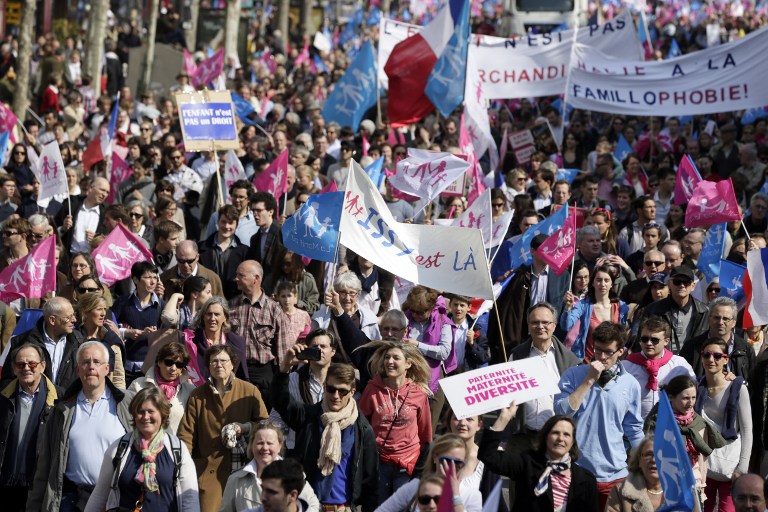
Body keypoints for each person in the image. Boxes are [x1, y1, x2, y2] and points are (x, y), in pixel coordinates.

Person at [26, 341, 129, 512]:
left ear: (107, 369)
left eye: (97, 362)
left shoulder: (127, 405)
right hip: (72, 500)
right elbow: (44, 466)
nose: (91, 367)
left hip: (114, 500)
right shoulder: (61, 410)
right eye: (85, 362)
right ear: (77, 369)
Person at [554, 322, 644, 510]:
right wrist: (588, 380)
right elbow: (561, 413)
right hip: (576, 470)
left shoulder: (631, 384)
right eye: (597, 350)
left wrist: (644, 463)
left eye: (608, 352)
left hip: (615, 474)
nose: (601, 357)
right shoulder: (573, 374)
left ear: (621, 351)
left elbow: (634, 429)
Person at [271, 357, 379, 512]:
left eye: (342, 391)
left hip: (343, 508)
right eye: (331, 389)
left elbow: (371, 480)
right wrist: (283, 370)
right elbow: (281, 401)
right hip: (308, 506)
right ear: (324, 386)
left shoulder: (362, 428)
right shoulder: (308, 417)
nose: (336, 396)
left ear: (352, 392)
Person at [177, 344, 268, 512]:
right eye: (214, 361)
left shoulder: (250, 391)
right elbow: (186, 435)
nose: (219, 365)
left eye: (223, 361)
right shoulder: (198, 395)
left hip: (244, 471)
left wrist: (245, 428)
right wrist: (184, 468)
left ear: (233, 364)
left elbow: (265, 427)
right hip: (208, 473)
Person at [84, 386, 200, 512]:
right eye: (140, 411)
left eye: (151, 411)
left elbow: (189, 498)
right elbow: (100, 495)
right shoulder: (119, 448)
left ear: (162, 413)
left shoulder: (177, 449)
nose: (145, 417)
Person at [478, 409, 598, 512]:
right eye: (555, 433)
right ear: (545, 437)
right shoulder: (527, 463)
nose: (560, 438)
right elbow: (489, 456)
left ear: (572, 442)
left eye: (566, 434)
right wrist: (504, 418)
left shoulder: (586, 479)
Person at [358, 340, 433, 500]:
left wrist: (423, 465)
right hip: (379, 461)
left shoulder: (418, 393)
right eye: (387, 357)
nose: (389, 362)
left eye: (396, 358)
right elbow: (361, 426)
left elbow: (425, 432)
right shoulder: (372, 389)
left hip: (408, 463)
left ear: (408, 364)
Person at [489, 233, 571, 363]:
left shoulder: (562, 276)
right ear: (532, 251)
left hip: (549, 337)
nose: (548, 254)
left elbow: (563, 310)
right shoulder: (519, 275)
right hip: (524, 336)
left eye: (551, 250)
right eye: (544, 250)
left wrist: (568, 304)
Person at [509, 303, 580, 451]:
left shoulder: (570, 361)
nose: (540, 326)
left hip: (555, 438)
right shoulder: (517, 355)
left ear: (554, 325)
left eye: (545, 322)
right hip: (523, 435)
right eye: (535, 322)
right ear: (528, 326)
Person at [644, 375, 727, 500]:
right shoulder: (658, 421)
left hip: (694, 482)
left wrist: (702, 484)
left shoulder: (698, 422)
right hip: (665, 483)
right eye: (685, 398)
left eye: (693, 398)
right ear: (671, 397)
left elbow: (702, 459)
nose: (691, 403)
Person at [695, 338, 753, 512]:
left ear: (726, 359)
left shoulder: (738, 387)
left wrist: (742, 467)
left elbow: (747, 430)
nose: (711, 359)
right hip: (704, 464)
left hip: (730, 466)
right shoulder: (697, 386)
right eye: (706, 354)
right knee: (702, 508)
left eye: (717, 355)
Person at [0, 343, 58, 512]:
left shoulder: (59, 400)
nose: (26, 368)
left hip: (38, 484)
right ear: (14, 368)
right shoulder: (3, 397)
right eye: (20, 364)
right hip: (6, 482)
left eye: (32, 364)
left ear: (42, 366)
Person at [219, 421, 321, 512]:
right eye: (260, 443)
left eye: (270, 443)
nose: (265, 448)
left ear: (280, 446)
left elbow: (314, 506)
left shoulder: (294, 475)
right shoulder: (236, 479)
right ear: (251, 445)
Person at [229, 260, 290, 407]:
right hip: (236, 371)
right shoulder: (231, 306)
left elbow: (282, 350)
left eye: (241, 275)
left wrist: (281, 378)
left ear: (256, 278)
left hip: (263, 373)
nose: (235, 279)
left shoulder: (274, 310)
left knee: (261, 418)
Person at [375, 434, 483, 512]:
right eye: (446, 461)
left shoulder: (472, 496)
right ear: (435, 457)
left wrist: (455, 496)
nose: (451, 467)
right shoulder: (416, 486)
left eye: (458, 463)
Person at [2, 297, 85, 390]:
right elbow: (7, 381)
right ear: (52, 320)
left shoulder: (79, 341)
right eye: (68, 317)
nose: (74, 320)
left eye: (74, 315)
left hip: (68, 402)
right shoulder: (22, 341)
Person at [624, 316, 696, 418]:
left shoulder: (679, 365)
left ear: (666, 341)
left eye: (654, 340)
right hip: (635, 427)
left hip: (669, 425)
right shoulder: (627, 366)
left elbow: (693, 393)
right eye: (644, 339)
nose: (649, 343)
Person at [119, 341, 195, 435]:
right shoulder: (138, 385)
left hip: (175, 446)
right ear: (159, 362)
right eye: (169, 362)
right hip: (142, 444)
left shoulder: (190, 391)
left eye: (179, 364)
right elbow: (128, 418)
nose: (173, 368)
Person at [561, 265, 630, 362]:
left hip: (611, 363)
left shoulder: (621, 307)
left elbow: (622, 337)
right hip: (587, 361)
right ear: (592, 283)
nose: (602, 284)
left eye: (606, 280)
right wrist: (568, 307)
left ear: (612, 284)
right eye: (598, 280)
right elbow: (566, 325)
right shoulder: (583, 305)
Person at [633, 266, 709, 353]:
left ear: (693, 286)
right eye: (677, 282)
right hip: (661, 361)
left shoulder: (704, 311)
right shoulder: (652, 310)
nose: (682, 285)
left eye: (686, 282)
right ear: (669, 284)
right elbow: (641, 341)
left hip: (691, 363)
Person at [113, 261, 165, 385]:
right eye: (147, 277)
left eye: (154, 278)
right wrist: (126, 333)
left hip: (150, 368)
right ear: (135, 280)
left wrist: (155, 334)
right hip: (125, 366)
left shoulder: (162, 306)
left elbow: (168, 333)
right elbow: (109, 325)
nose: (152, 282)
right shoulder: (122, 302)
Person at [681, 297, 755, 379]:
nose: (720, 322)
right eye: (716, 317)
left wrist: (738, 383)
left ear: (734, 322)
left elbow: (753, 383)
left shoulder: (746, 349)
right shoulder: (692, 347)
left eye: (725, 319)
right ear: (709, 319)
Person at [440, 409, 504, 503]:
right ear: (449, 422)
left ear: (479, 425)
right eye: (457, 418)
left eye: (469, 419)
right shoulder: (435, 454)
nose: (462, 422)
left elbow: (496, 502)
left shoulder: (487, 461)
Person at [401, 286, 456, 394]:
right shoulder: (406, 318)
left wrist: (417, 345)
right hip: (407, 375)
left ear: (431, 309)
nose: (415, 315)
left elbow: (444, 352)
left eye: (420, 312)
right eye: (413, 311)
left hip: (432, 375)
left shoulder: (443, 321)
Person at [189, 296, 249, 381]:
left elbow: (242, 376)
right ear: (203, 316)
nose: (212, 318)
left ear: (225, 317)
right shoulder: (191, 341)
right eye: (209, 314)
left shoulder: (237, 343)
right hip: (197, 391)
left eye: (217, 314)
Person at [76, 292, 126, 390]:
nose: (103, 314)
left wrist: (119, 399)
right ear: (85, 312)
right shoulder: (74, 338)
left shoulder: (111, 340)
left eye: (104, 309)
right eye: (99, 309)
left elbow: (118, 377)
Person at [198, 204, 248, 299]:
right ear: (217, 222)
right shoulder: (201, 247)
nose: (226, 226)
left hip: (234, 301)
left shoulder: (245, 251)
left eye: (230, 223)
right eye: (223, 222)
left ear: (236, 225)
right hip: (207, 300)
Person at [605, 437, 665, 512]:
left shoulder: (681, 493)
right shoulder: (620, 491)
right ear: (639, 460)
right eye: (648, 454)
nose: (653, 460)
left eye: (660, 455)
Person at [57, 176, 110, 254]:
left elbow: (111, 240)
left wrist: (98, 239)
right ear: (90, 188)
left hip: (92, 261)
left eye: (107, 192)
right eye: (102, 190)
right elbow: (53, 229)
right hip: (68, 259)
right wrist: (63, 229)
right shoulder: (71, 204)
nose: (104, 194)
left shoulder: (107, 212)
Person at [159, 240, 224, 299]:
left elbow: (220, 307)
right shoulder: (164, 279)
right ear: (176, 257)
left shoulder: (212, 278)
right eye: (181, 261)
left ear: (197, 257)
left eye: (189, 261)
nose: (185, 265)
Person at [267, 249, 320, 314]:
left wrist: (296, 301)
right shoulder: (274, 278)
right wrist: (273, 300)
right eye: (282, 264)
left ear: (296, 262)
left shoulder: (307, 279)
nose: (285, 267)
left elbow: (314, 306)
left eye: (288, 264)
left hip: (300, 320)